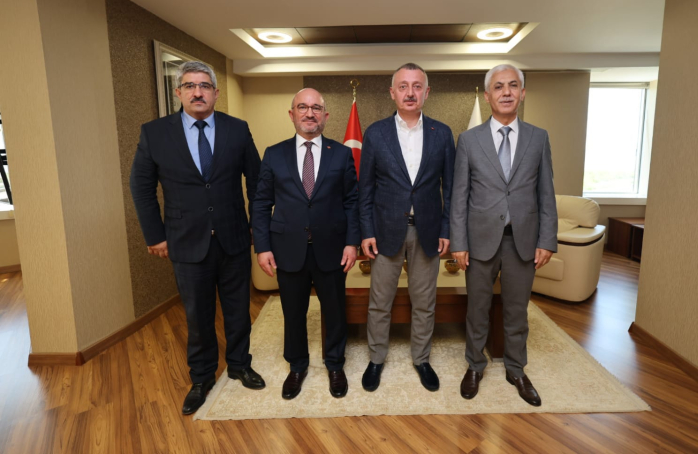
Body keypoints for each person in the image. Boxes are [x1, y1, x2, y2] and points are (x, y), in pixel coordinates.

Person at [130, 61, 265, 415]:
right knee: (197, 315)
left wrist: (256, 224)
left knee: (238, 309)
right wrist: (156, 235)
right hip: (185, 240)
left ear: (216, 93)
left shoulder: (237, 129)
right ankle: (202, 377)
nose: (197, 92)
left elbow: (257, 181)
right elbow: (141, 187)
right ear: (178, 92)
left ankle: (239, 364)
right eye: (189, 86)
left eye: (204, 86)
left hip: (234, 237)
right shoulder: (155, 133)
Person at [451, 64, 557, 405]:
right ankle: (474, 366)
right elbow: (459, 196)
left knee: (516, 311)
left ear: (522, 93)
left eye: (513, 85)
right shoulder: (469, 140)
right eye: (499, 87)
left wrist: (547, 239)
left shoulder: (539, 138)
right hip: (479, 241)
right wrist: (459, 243)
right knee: (477, 309)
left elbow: (546, 193)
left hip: (522, 241)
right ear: (488, 95)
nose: (506, 92)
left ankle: (516, 368)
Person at [253, 88, 359, 400]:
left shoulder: (341, 154)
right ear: (292, 114)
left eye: (316, 108)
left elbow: (352, 202)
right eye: (302, 107)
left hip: (332, 247)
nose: (309, 113)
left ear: (325, 115)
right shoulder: (274, 154)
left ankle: (335, 364)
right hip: (288, 248)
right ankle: (297, 365)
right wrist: (262, 247)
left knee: (335, 310)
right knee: (293, 311)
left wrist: (352, 243)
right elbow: (261, 203)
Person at [358, 63, 455, 392]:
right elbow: (365, 189)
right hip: (385, 230)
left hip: (428, 230)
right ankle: (376, 359)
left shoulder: (442, 133)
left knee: (424, 301)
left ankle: (421, 359)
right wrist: (366, 231)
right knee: (380, 301)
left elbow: (450, 189)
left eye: (416, 86)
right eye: (403, 86)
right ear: (392, 93)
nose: (410, 92)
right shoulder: (376, 133)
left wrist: (446, 229)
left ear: (427, 92)